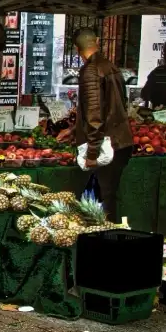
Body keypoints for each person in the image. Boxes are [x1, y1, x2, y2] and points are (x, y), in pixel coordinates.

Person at [56, 28, 134, 222]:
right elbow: (111, 107)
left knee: (104, 200)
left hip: (108, 144)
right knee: (107, 195)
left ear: (76, 49)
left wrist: (92, 153)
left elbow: (95, 114)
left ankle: (107, 240)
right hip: (121, 140)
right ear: (98, 41)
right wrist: (74, 129)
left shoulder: (91, 71)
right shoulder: (110, 66)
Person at [140, 39, 166, 108]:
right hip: (160, 115)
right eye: (164, 53)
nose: (165, 56)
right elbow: (144, 93)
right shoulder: (157, 72)